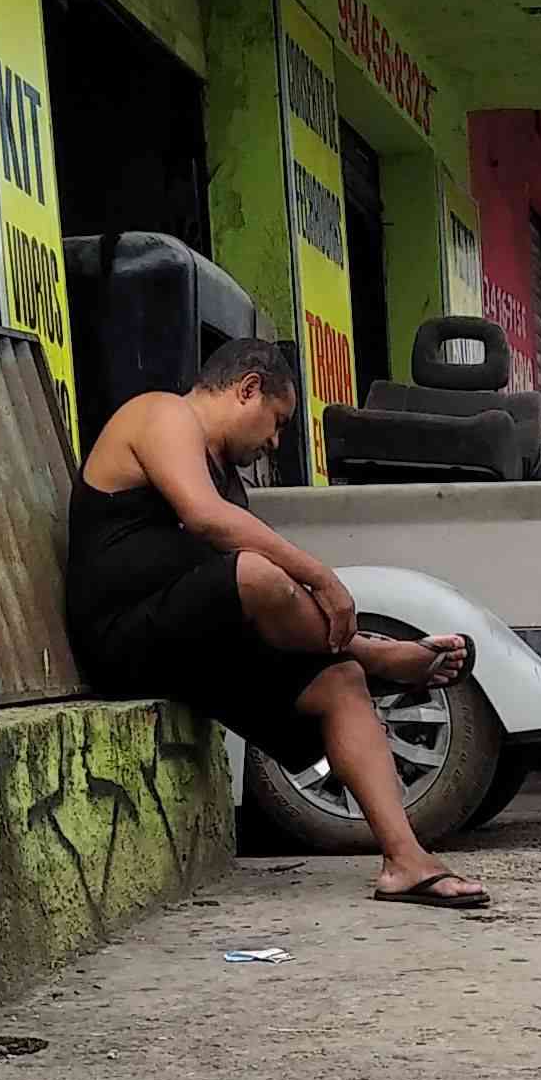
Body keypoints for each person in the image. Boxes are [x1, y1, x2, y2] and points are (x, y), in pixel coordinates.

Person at [63, 336, 491, 914]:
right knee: (256, 575)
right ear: (248, 390)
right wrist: (323, 578)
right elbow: (206, 520)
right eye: (279, 422)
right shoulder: (161, 413)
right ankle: (375, 654)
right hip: (121, 637)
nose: (274, 441)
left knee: (339, 682)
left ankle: (405, 861)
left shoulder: (227, 477)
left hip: (188, 644)